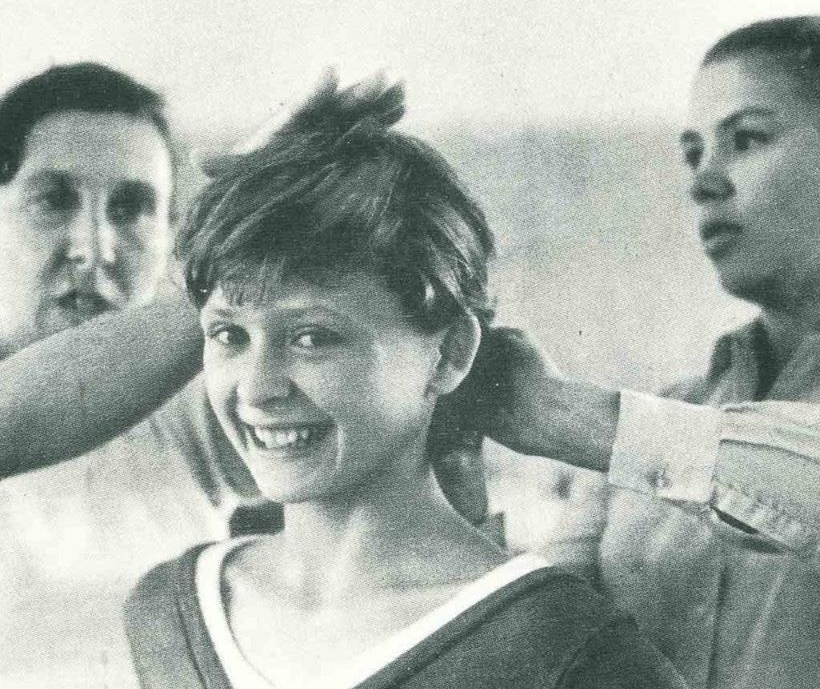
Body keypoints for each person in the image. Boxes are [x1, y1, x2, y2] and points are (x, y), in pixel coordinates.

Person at [122, 75, 687, 689]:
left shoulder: (570, 651)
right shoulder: (169, 613)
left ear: (449, 352)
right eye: (230, 335)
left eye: (312, 337)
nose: (257, 390)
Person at [456, 15, 820, 689]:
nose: (703, 181)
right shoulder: (657, 419)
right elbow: (536, 660)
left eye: (746, 139)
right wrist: (452, 482)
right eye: (693, 153)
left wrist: (568, 417)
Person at [0, 63, 257, 688]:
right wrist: (243, 248)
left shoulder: (196, 399)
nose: (93, 249)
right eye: (53, 200)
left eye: (132, 207)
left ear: (171, 235)